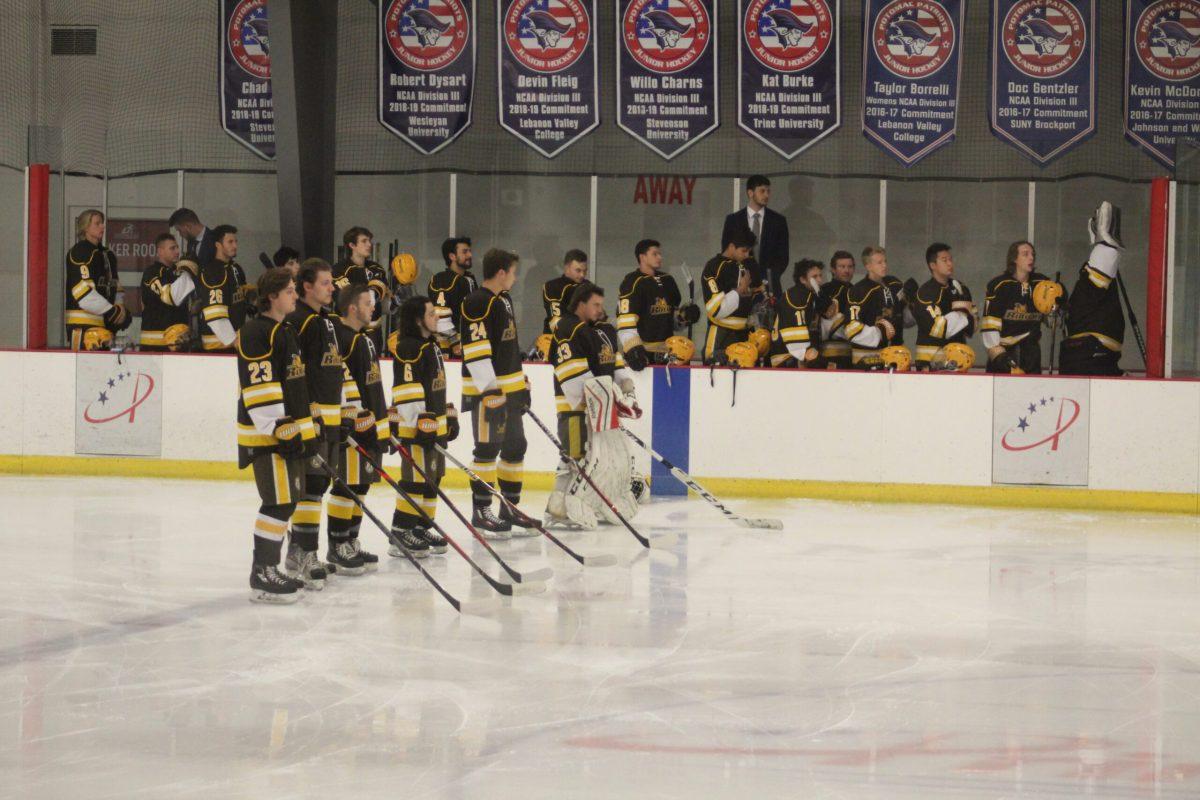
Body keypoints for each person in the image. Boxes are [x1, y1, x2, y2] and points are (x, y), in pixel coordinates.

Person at [235, 267, 317, 603]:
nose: (295, 295)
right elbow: (259, 385)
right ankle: (262, 571)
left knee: (288, 501)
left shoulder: (284, 330)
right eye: (290, 291)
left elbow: (294, 384)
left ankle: (268, 568)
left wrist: (307, 429)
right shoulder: (256, 331)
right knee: (278, 502)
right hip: (267, 436)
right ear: (272, 296)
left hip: (287, 432)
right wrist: (278, 427)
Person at [547, 282, 641, 528]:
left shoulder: (601, 330)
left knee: (597, 458)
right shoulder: (568, 328)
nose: (600, 309)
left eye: (601, 304)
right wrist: (603, 399)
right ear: (581, 304)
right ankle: (556, 508)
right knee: (574, 456)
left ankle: (590, 503)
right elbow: (574, 379)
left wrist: (626, 388)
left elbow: (613, 365)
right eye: (595, 304)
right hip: (576, 408)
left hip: (599, 405)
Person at [459, 248, 539, 536]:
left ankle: (510, 507)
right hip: (488, 393)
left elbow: (506, 348)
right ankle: (481, 510)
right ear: (502, 272)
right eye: (514, 272)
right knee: (487, 449)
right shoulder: (477, 302)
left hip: (509, 390)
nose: (516, 279)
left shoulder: (502, 300)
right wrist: (490, 390)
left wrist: (521, 382)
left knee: (516, 446)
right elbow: (477, 353)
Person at [284, 258, 353, 586]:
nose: (331, 288)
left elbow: (333, 371)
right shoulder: (298, 321)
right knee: (310, 486)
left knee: (320, 485)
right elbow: (295, 373)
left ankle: (301, 548)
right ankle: (304, 550)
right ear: (306, 286)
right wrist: (306, 415)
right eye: (325, 283)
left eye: (331, 283)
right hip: (311, 418)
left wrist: (344, 411)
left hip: (330, 417)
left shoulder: (326, 321)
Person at [388, 294, 459, 557]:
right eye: (431, 314)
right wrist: (422, 423)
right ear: (419, 320)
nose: (437, 318)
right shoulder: (408, 347)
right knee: (415, 480)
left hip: (433, 425)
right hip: (417, 429)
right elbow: (406, 389)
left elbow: (434, 384)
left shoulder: (431, 345)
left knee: (432, 480)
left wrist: (447, 413)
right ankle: (401, 530)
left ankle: (420, 527)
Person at [329, 284, 390, 573]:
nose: (373, 308)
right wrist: (353, 420)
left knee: (361, 485)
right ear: (352, 308)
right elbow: (338, 384)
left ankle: (351, 540)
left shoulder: (361, 338)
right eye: (367, 303)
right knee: (347, 486)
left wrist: (382, 425)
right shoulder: (342, 338)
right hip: (355, 426)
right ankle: (337, 544)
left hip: (370, 425)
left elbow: (372, 385)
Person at [1061, 202, 1126, 376]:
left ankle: (1105, 239)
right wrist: (1105, 239)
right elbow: (1107, 256)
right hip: (1092, 354)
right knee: (1096, 280)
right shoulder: (1087, 286)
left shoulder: (1081, 290)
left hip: (1081, 354)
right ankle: (1105, 238)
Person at [981, 241, 1062, 374]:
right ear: (1014, 259)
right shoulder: (999, 285)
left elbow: (1054, 323)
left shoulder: (1041, 284)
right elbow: (989, 330)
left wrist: (1056, 307)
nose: (1031, 258)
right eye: (1025, 254)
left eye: (1033, 254)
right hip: (1005, 357)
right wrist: (1006, 363)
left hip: (1031, 356)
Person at [617, 239, 687, 369]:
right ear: (642, 257)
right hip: (643, 356)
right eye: (655, 254)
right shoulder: (632, 282)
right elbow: (625, 323)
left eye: (660, 254)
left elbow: (672, 320)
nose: (660, 257)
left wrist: (684, 317)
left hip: (670, 354)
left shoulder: (668, 280)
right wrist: (633, 350)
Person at [65, 209, 129, 350]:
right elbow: (83, 293)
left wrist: (120, 308)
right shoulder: (79, 252)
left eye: (103, 223)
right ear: (85, 227)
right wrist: (111, 311)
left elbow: (115, 286)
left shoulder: (108, 255)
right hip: (82, 328)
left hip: (103, 326)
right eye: (97, 223)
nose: (102, 226)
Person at [721, 175, 790, 298]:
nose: (766, 195)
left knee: (770, 316)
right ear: (750, 193)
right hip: (740, 284)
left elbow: (783, 257)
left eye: (768, 191)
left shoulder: (778, 221)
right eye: (762, 191)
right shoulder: (733, 220)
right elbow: (727, 252)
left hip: (769, 286)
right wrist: (740, 278)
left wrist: (768, 278)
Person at [911, 243, 976, 369]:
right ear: (933, 265)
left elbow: (972, 327)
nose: (950, 264)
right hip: (930, 364)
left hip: (959, 360)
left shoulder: (961, 289)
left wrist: (964, 318)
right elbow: (937, 329)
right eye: (944, 260)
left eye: (951, 259)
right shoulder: (926, 292)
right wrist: (962, 313)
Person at [843, 246, 907, 368]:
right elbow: (851, 328)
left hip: (896, 358)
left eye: (885, 261)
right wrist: (880, 333)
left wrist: (912, 304)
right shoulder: (859, 290)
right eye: (879, 262)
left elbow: (903, 318)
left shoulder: (894, 284)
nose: (884, 265)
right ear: (868, 266)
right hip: (867, 361)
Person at [700, 229, 757, 363]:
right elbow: (716, 310)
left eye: (749, 251)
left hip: (745, 335)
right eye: (744, 250)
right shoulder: (714, 267)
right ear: (731, 246)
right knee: (715, 379)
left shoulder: (746, 265)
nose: (747, 255)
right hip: (721, 336)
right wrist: (739, 290)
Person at [333, 226, 389, 352]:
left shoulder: (377, 268)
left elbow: (381, 297)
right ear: (352, 245)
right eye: (364, 241)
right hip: (348, 330)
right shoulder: (339, 270)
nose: (369, 244)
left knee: (373, 369)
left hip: (373, 331)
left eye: (369, 241)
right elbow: (345, 299)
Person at [138, 233, 195, 351]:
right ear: (160, 251)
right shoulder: (152, 272)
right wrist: (188, 273)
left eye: (177, 247)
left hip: (179, 342)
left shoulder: (177, 271)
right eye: (172, 248)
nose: (177, 251)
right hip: (156, 344)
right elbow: (170, 297)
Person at [193, 225, 242, 352]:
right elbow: (215, 314)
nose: (235, 246)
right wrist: (234, 341)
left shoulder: (235, 268)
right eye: (230, 242)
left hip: (233, 344)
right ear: (218, 245)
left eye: (236, 241)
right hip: (219, 347)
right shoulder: (213, 271)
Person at [768, 259, 824, 368]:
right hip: (787, 358)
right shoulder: (798, 297)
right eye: (815, 277)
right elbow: (797, 344)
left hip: (785, 356)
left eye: (820, 276)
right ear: (803, 279)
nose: (820, 280)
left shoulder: (805, 295)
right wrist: (812, 359)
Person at [428, 236, 476, 355]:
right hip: (449, 351)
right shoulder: (443, 280)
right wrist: (455, 343)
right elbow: (440, 318)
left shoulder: (468, 278)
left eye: (470, 251)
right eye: (465, 252)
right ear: (452, 256)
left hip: (467, 344)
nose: (470, 255)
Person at [818, 250, 856, 368]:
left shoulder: (857, 291)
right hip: (827, 355)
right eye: (842, 266)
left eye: (850, 266)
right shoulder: (823, 291)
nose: (846, 270)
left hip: (852, 354)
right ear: (833, 269)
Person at [541, 249, 589, 335]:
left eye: (585, 271)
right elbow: (556, 322)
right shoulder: (554, 286)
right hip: (555, 340)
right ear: (567, 268)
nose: (582, 275)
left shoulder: (588, 286)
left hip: (583, 338)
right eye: (578, 270)